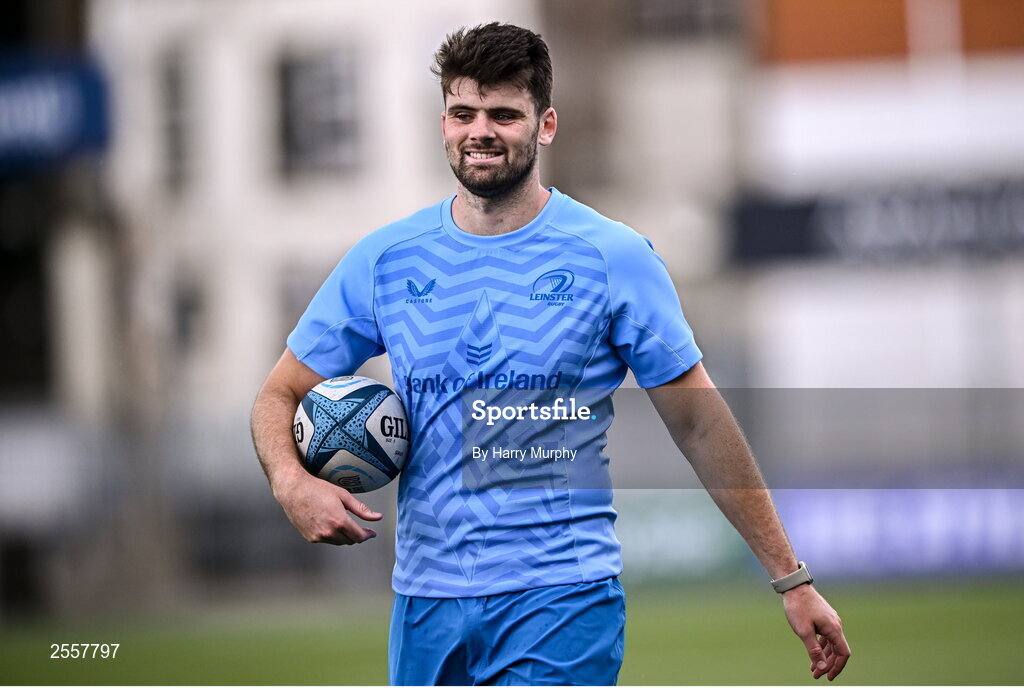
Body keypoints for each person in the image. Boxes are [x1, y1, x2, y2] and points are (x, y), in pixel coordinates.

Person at [251, 22, 850, 686]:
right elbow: (280, 392)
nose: (480, 130)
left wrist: (790, 578)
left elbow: (700, 422)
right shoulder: (385, 260)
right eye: (462, 112)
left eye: (504, 114)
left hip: (560, 601)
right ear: (443, 122)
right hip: (425, 604)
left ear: (546, 125)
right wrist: (291, 481)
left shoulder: (611, 256)